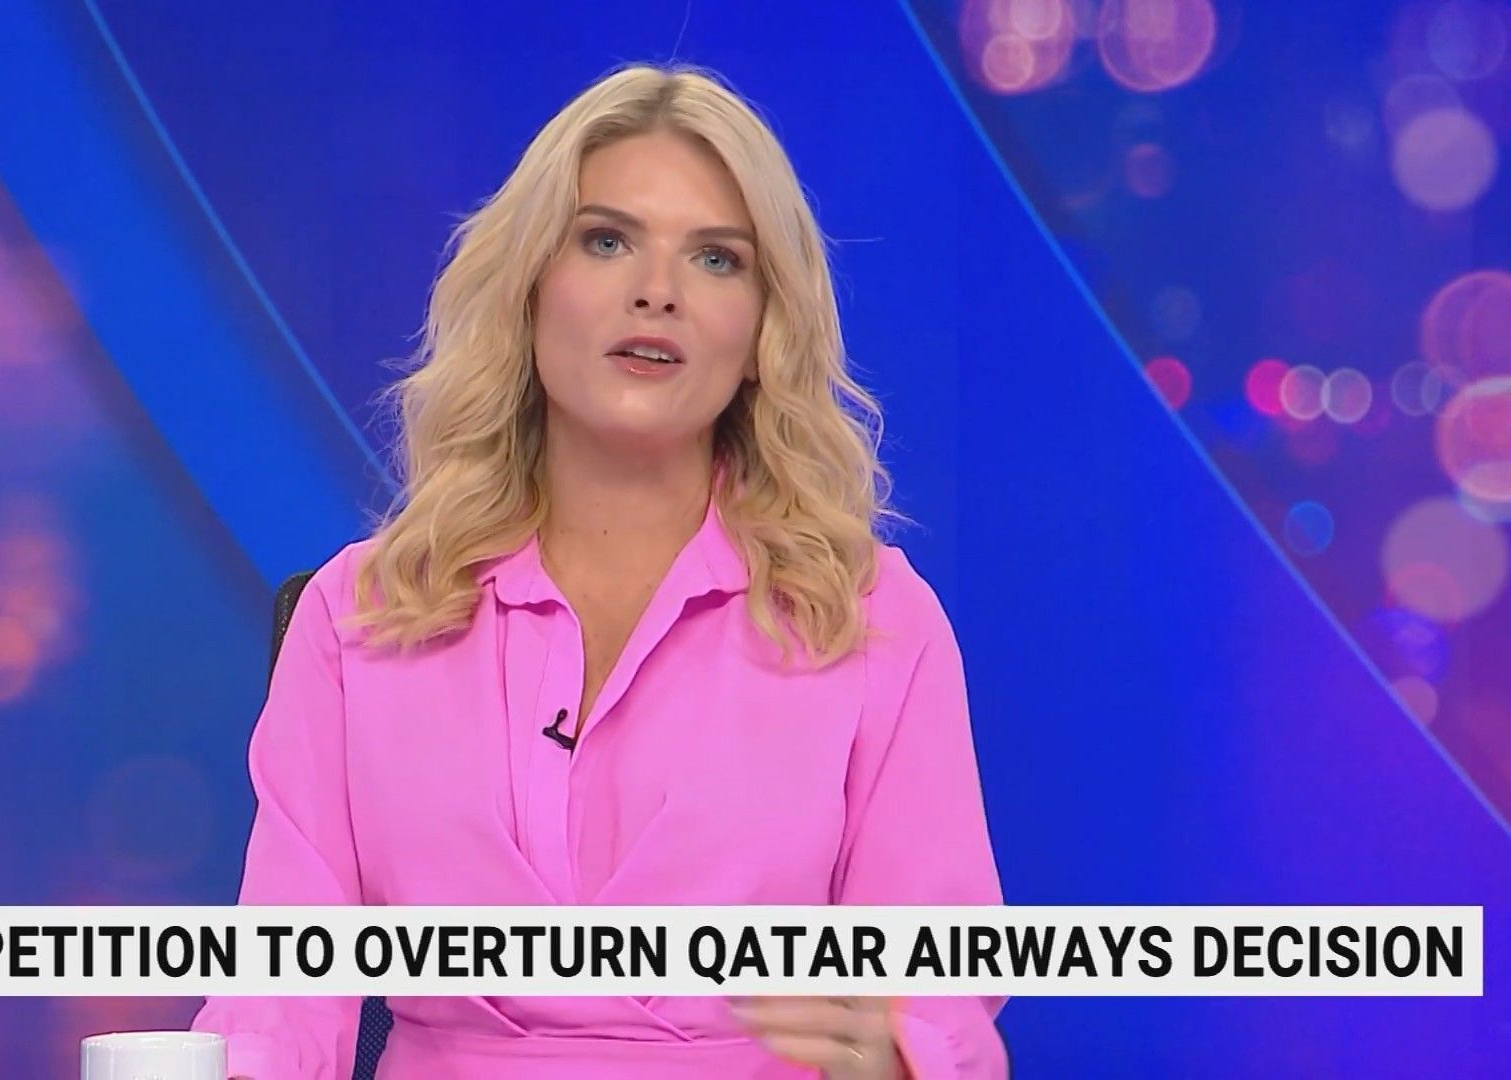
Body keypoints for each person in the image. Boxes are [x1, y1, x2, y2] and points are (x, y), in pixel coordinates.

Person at [191, 61, 1007, 1079]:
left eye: (716, 259)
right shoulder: (361, 612)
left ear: (764, 331)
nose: (657, 291)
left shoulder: (872, 618)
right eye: (607, 240)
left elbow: (938, 997)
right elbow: (280, 988)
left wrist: (896, 1056)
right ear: (530, 289)